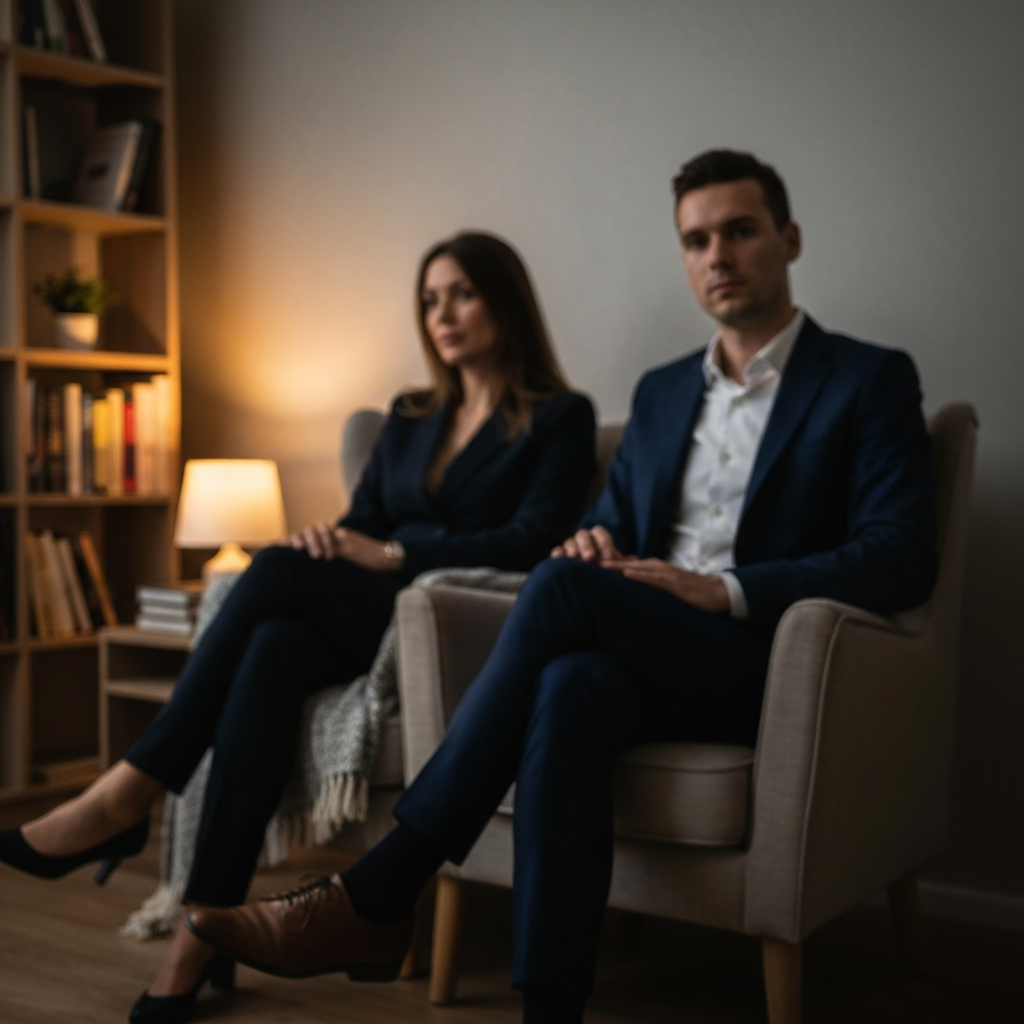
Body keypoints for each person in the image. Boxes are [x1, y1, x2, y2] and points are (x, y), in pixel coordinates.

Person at [185, 149, 938, 1024]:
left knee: (557, 590)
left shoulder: (866, 378)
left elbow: (900, 555)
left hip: (768, 661)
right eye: (696, 240)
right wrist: (594, 543)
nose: (718, 256)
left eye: (739, 231)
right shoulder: (662, 393)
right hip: (651, 651)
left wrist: (726, 589)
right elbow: (611, 523)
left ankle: (382, 889)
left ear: (789, 238)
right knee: (569, 680)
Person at [0, 232, 597, 1024]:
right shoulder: (411, 415)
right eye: (429, 299)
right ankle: (198, 938)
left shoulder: (560, 418)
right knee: (272, 645)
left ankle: (130, 790)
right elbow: (362, 520)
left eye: (462, 293)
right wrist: (334, 540)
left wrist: (391, 553)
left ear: (505, 301)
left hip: (453, 618)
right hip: (367, 609)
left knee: (275, 572)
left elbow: (531, 541)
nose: (442, 315)